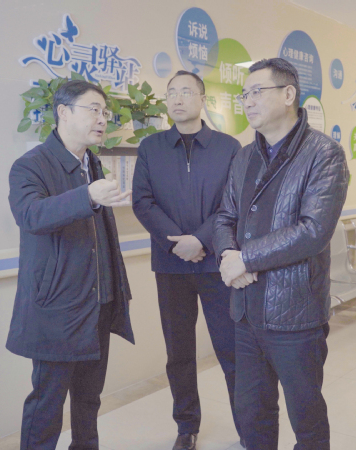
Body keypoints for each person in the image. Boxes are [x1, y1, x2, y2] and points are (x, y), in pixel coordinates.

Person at [213, 58, 349, 450]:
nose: (248, 101)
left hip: (295, 312)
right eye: (244, 94)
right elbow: (224, 216)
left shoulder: (324, 154)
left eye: (257, 92)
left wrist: (246, 259)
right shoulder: (245, 156)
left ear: (289, 94)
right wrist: (227, 254)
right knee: (252, 415)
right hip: (245, 311)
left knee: (306, 419)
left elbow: (313, 230)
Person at [7, 80, 134, 450]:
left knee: (89, 399)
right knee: (47, 403)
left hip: (99, 302)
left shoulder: (92, 163)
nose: (102, 119)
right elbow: (31, 215)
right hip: (59, 309)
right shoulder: (30, 165)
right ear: (63, 112)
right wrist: (87, 195)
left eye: (105, 112)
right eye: (93, 109)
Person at [132, 70, 242, 450]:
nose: (177, 99)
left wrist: (200, 239)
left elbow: (233, 202)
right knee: (178, 352)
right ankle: (186, 426)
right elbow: (142, 201)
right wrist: (177, 243)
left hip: (217, 265)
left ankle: (248, 426)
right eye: (171, 93)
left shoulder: (229, 147)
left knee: (232, 349)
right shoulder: (151, 148)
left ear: (202, 99)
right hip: (171, 266)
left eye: (186, 92)